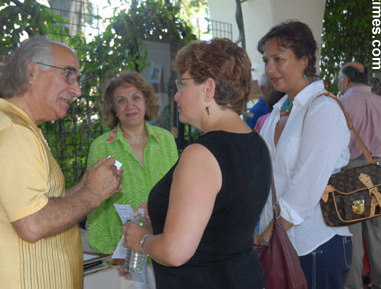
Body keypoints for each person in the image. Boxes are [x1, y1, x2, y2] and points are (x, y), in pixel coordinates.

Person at [0, 37, 123, 289]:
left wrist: (82, 188)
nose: (77, 90)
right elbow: (33, 224)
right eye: (69, 75)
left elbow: (33, 207)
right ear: (31, 71)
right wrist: (93, 194)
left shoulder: (15, 126)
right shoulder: (13, 132)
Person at [122, 38, 272, 288]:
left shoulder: (201, 154)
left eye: (183, 83)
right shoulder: (256, 143)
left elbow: (175, 252)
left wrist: (140, 239)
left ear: (208, 89)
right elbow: (223, 220)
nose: (178, 94)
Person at [255, 20, 352, 289]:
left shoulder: (323, 109)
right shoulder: (278, 112)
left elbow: (304, 190)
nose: (269, 69)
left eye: (278, 59)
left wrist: (264, 238)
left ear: (304, 61)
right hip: (279, 240)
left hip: (315, 244)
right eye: (266, 60)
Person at [86, 70, 178, 255]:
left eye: (136, 98)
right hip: (123, 252)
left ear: (146, 102)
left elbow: (178, 190)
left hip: (164, 246)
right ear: (114, 109)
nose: (130, 106)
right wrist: (109, 251)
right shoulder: (102, 147)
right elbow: (94, 203)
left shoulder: (166, 139)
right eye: (121, 100)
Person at [338, 62, 381, 289]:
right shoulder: (380, 103)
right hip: (380, 169)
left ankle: (354, 285)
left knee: (353, 233)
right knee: (379, 232)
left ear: (346, 80)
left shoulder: (341, 104)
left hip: (352, 171)